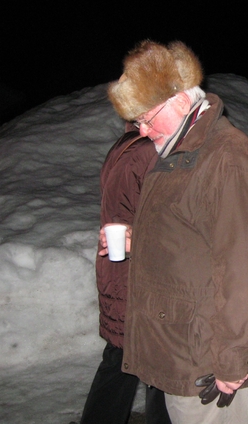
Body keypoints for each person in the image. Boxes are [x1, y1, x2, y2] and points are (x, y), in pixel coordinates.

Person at [103, 40, 248, 424]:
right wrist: (135, 239)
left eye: (147, 118)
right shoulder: (179, 152)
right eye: (137, 123)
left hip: (209, 358)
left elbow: (242, 267)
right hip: (180, 345)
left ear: (181, 99)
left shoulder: (227, 157)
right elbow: (186, 234)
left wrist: (233, 356)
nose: (143, 132)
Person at [80, 125, 171, 424]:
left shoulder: (123, 146)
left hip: (118, 272)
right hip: (136, 274)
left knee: (120, 361)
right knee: (157, 366)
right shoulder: (148, 150)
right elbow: (158, 218)